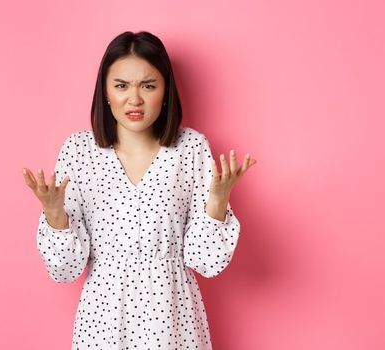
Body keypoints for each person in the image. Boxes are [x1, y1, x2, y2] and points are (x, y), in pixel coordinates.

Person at [21, 31, 257, 349]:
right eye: (121, 86)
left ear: (166, 90)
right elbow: (65, 270)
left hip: (173, 320)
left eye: (148, 85)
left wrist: (217, 199)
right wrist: (54, 213)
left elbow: (206, 261)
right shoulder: (78, 151)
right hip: (102, 323)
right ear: (105, 91)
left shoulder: (191, 148)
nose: (135, 99)